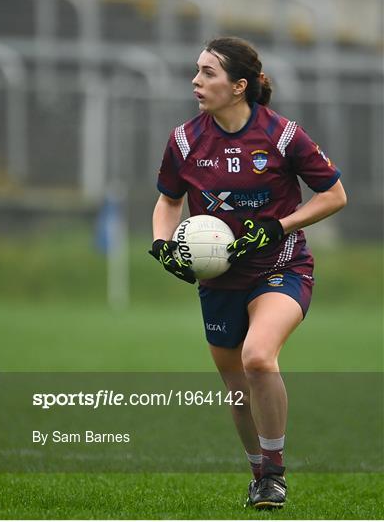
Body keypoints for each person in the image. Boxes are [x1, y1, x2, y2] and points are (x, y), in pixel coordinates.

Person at [149, 36, 347, 509]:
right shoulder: (184, 140)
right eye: (196, 70)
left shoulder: (282, 136)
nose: (196, 81)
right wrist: (162, 246)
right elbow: (168, 201)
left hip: (280, 267)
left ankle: (275, 474)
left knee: (259, 357)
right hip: (218, 281)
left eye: (208, 73)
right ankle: (259, 473)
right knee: (237, 387)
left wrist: (277, 227)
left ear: (239, 86)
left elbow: (334, 196)